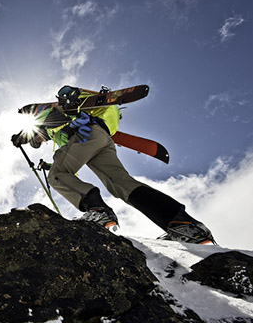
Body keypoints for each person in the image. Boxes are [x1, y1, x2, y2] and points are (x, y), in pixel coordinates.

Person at [12, 85, 215, 244]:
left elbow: (52, 122)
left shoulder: (47, 116)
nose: (40, 141)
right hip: (101, 140)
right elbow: (72, 157)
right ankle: (183, 224)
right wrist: (47, 164)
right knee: (121, 183)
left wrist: (23, 136)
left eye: (37, 139)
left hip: (86, 137)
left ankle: (98, 211)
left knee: (57, 175)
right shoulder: (57, 131)